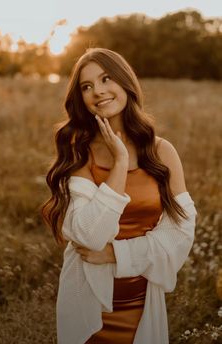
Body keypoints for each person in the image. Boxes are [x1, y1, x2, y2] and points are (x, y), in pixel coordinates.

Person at [41, 47, 197, 344]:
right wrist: (120, 163)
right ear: (81, 99)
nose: (97, 91)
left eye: (106, 79)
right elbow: (89, 234)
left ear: (125, 82)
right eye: (87, 86)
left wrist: (117, 254)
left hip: (142, 306)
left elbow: (181, 231)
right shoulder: (78, 154)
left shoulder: (162, 151)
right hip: (88, 304)